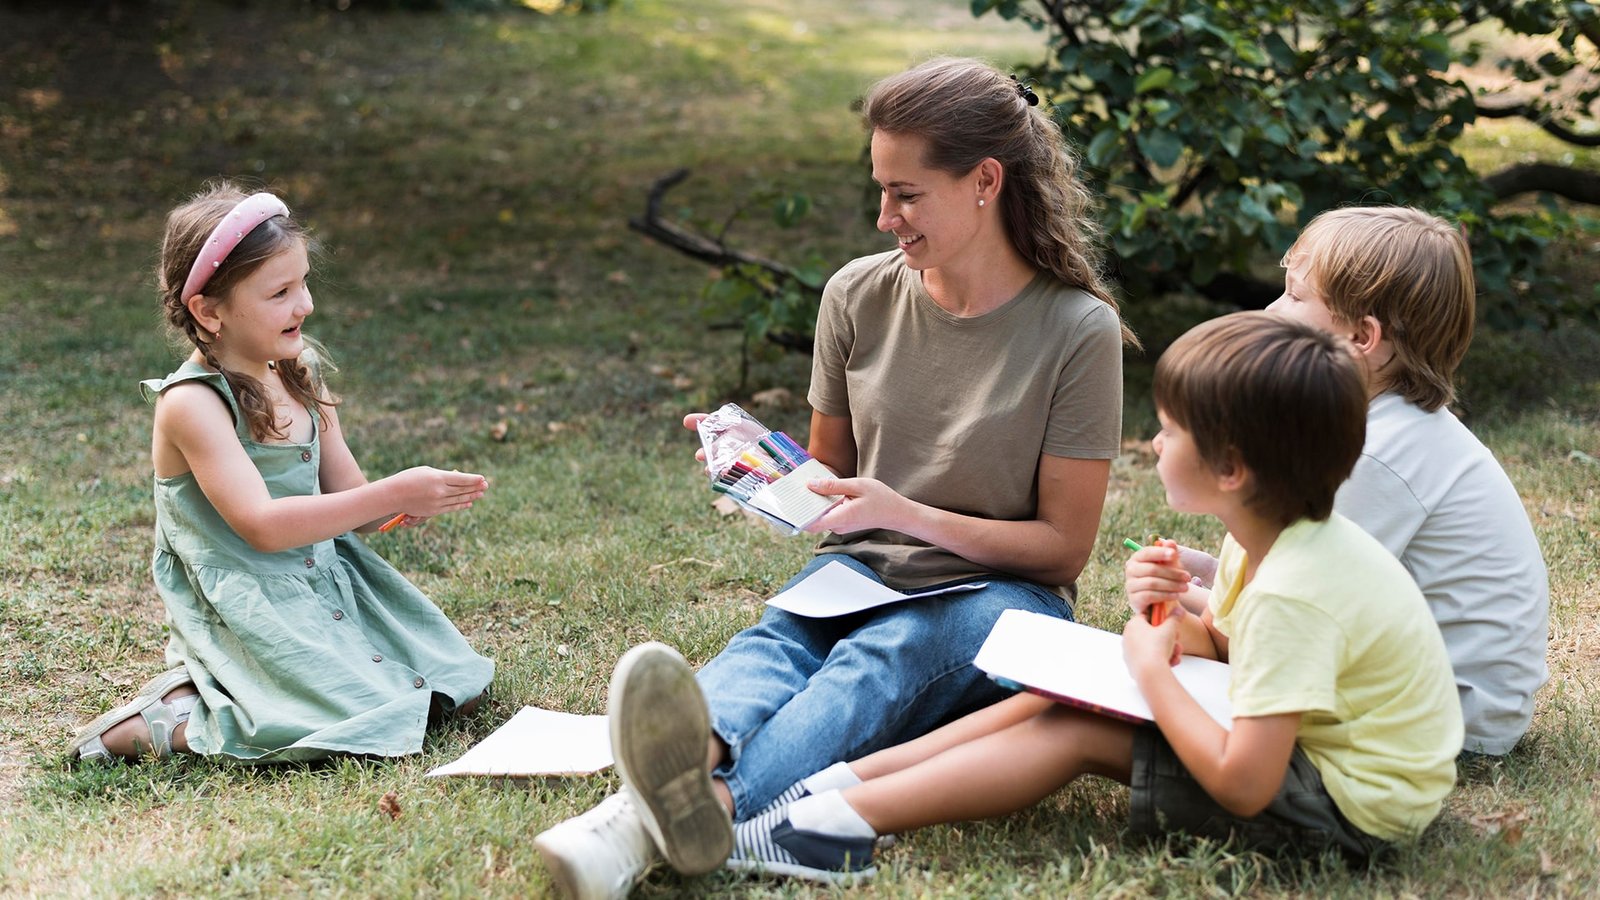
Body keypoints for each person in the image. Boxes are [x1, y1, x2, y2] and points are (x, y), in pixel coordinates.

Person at [533, 57, 1132, 898]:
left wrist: (910, 516)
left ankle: (663, 818)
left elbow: (1061, 552)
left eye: (908, 194)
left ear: (985, 181)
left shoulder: (1076, 329)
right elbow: (833, 484)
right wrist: (758, 466)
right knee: (773, 647)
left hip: (999, 601)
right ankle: (671, 785)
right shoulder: (856, 294)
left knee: (880, 658)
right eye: (880, 190)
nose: (885, 216)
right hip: (861, 572)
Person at [700, 312, 1465, 881]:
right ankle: (827, 788)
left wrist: (1154, 668)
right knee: (1054, 690)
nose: (1154, 445)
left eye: (1170, 432)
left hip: (1351, 807)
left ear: (1231, 469)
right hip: (1313, 747)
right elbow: (1237, 647)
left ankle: (825, 829)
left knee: (1076, 729)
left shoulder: (1298, 589)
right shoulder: (1269, 540)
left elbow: (1244, 782)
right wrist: (1178, 624)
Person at [69, 181, 495, 763]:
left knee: (453, 690)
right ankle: (164, 720)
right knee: (371, 720)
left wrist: (399, 506)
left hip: (325, 576)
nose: (306, 305)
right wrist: (391, 492)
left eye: (304, 284)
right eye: (281, 292)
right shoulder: (193, 404)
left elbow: (352, 500)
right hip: (252, 597)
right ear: (208, 311)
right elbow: (263, 527)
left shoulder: (299, 370)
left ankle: (244, 689)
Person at [1183, 206, 1548, 756]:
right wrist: (1215, 582)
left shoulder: (1373, 458)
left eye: (1294, 296)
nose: (1270, 309)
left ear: (1360, 336)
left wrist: (1198, 610)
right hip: (1427, 687)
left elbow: (1287, 623)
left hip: (1450, 715)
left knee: (1180, 669)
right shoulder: (1376, 430)